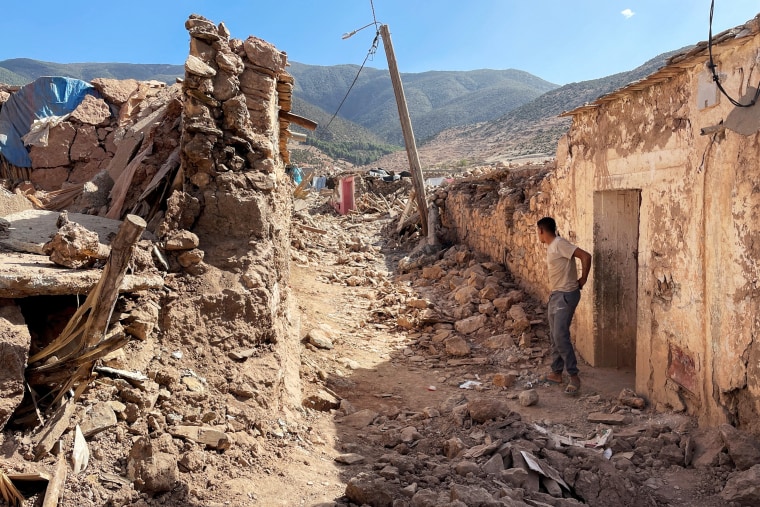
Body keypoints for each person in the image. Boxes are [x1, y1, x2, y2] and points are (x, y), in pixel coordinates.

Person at [536, 217, 592, 396]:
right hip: (556, 294)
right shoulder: (552, 246)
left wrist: (583, 279)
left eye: (538, 231)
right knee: (554, 334)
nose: (538, 234)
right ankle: (556, 373)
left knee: (560, 335)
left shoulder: (560, 243)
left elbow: (585, 256)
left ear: (541, 231)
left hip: (566, 295)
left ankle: (574, 376)